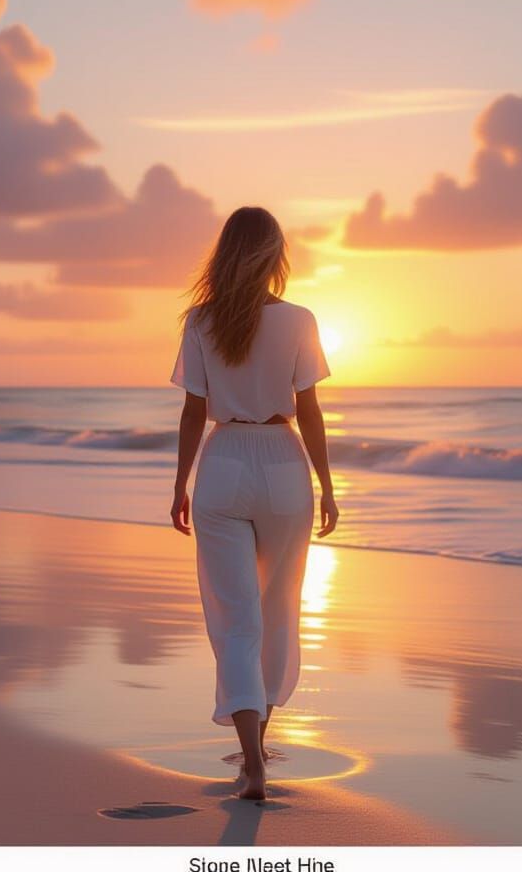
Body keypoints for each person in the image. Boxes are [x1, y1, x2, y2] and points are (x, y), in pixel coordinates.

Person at [168, 206, 338, 802]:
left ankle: (252, 764)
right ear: (273, 254)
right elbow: (309, 408)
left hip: (223, 463)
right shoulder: (299, 319)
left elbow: (193, 410)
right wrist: (328, 484)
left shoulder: (200, 320)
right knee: (277, 610)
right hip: (284, 464)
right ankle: (258, 751)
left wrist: (180, 484)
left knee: (236, 619)